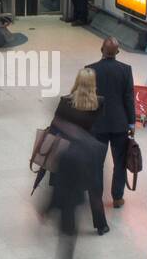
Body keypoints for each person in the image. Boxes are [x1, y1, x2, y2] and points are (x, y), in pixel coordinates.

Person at [34, 68, 108, 235]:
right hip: (88, 152)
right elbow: (99, 125)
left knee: (61, 185)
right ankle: (101, 225)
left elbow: (55, 125)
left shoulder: (65, 101)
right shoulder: (100, 102)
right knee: (94, 189)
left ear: (77, 81)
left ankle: (58, 217)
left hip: (66, 150)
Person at [46, 118, 104, 259]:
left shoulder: (66, 154)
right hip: (79, 199)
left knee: (66, 238)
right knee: (70, 239)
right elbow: (96, 180)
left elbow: (58, 186)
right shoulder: (94, 147)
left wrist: (46, 209)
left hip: (66, 202)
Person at [87, 37, 136, 209]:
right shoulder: (125, 70)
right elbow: (129, 99)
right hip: (119, 124)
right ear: (118, 52)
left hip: (97, 125)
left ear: (101, 49)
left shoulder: (90, 70)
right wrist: (132, 123)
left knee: (96, 163)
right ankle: (117, 197)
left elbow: (85, 98)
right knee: (120, 162)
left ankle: (96, 197)